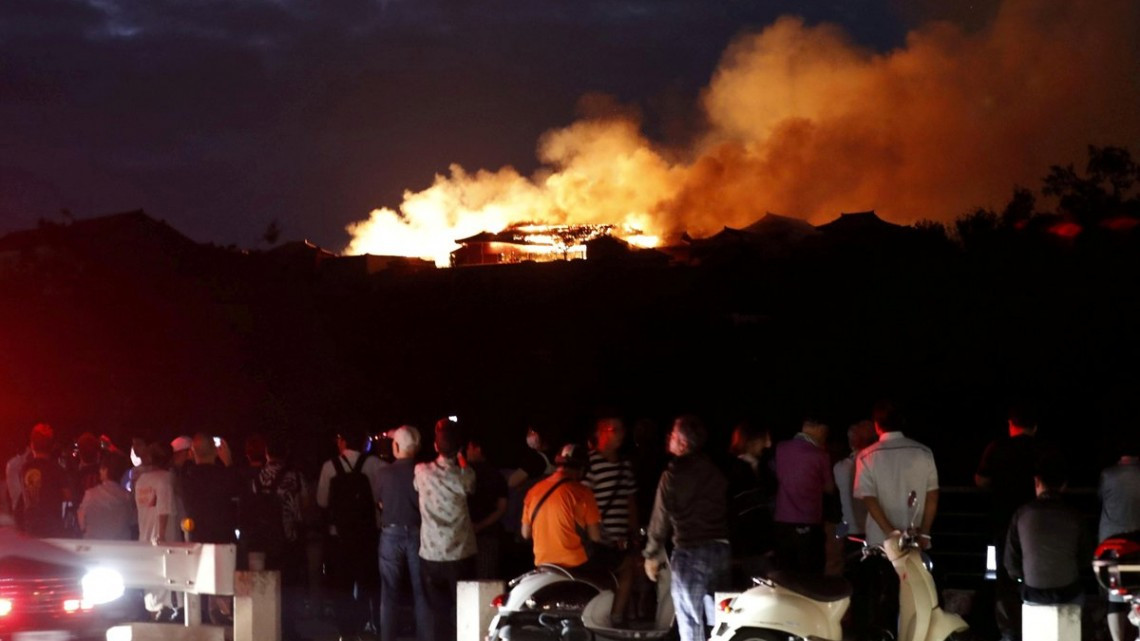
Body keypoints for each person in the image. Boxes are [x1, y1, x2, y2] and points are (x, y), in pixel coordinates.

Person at [853, 400, 938, 639]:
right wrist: (925, 532)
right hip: (916, 542)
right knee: (916, 599)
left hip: (881, 544)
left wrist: (891, 532)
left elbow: (868, 498)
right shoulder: (923, 452)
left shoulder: (866, 456)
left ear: (877, 426)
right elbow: (932, 495)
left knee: (883, 600)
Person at [643, 416, 729, 641]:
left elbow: (659, 519)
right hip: (721, 551)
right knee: (720, 622)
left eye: (672, 435)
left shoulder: (672, 476)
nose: (668, 438)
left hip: (690, 552)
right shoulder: (716, 471)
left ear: (682, 443)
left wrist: (651, 554)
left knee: (690, 619)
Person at [975, 403, 1043, 641]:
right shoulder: (1041, 449)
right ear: (1034, 426)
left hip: (1003, 521)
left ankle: (1010, 632)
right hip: (1039, 525)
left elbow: (981, 480)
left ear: (1011, 425)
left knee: (1004, 579)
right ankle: (1037, 628)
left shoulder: (997, 448)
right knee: (1037, 573)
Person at [316, 428, 384, 641]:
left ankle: (346, 631)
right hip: (367, 535)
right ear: (365, 443)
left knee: (341, 585)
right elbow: (381, 498)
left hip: (339, 535)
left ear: (342, 442)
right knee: (367, 582)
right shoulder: (375, 465)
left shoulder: (330, 466)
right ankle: (364, 624)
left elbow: (321, 501)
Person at [415, 419, 477, 641]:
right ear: (459, 448)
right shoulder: (465, 477)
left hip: (431, 555)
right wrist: (460, 457)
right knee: (464, 611)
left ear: (435, 446)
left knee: (438, 614)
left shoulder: (421, 471)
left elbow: (416, 487)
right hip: (461, 555)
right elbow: (470, 482)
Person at [1005, 456, 1093, 607]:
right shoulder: (1074, 515)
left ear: (1036, 481)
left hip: (1033, 591)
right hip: (1068, 591)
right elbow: (1085, 557)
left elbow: (1010, 563)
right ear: (1064, 485)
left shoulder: (1022, 514)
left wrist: (1024, 577)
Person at [584, 417, 640, 626]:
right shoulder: (591, 462)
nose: (620, 434)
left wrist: (633, 534)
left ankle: (612, 617)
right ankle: (611, 618)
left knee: (626, 570)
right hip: (598, 537)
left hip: (619, 538)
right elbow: (583, 497)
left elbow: (630, 501)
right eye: (613, 429)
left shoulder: (625, 466)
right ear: (600, 433)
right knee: (618, 572)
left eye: (621, 429)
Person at [375, 425, 428, 641]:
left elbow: (380, 503)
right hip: (418, 533)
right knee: (421, 592)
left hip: (390, 533)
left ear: (396, 446)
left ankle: (388, 637)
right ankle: (426, 636)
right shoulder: (423, 470)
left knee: (389, 591)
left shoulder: (383, 472)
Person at [521, 442, 602, 568]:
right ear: (581, 469)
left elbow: (525, 533)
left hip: (543, 564)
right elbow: (595, 537)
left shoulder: (533, 491)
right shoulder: (583, 492)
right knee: (626, 564)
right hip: (576, 564)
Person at [772, 418, 835, 575]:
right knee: (810, 574)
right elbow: (829, 488)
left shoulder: (780, 448)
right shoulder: (820, 455)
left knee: (786, 573)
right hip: (809, 521)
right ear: (819, 429)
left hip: (782, 520)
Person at [1098, 437, 1140, 641]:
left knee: (1114, 597)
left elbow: (1101, 497)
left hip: (1111, 543)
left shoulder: (1107, 474)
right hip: (1137, 542)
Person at [725, 421, 774, 586]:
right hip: (751, 547)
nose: (768, 444)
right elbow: (750, 513)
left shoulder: (757, 467)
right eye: (764, 439)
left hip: (753, 546)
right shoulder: (739, 471)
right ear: (752, 441)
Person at [135, 441, 180, 621]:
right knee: (165, 586)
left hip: (144, 537)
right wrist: (161, 535)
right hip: (163, 540)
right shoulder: (166, 479)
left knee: (151, 587)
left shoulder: (142, 480)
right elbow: (164, 509)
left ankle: (153, 618)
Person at [15, 423, 72, 538]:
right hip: (53, 530)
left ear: (32, 446)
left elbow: (23, 498)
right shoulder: (58, 470)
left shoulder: (24, 469)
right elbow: (68, 499)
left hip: (30, 529)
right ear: (51, 447)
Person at [465, 434, 508, 580]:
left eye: (469, 447)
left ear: (478, 449)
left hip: (465, 534)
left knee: (465, 581)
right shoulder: (497, 475)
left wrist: (476, 526)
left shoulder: (462, 474)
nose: (467, 451)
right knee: (486, 580)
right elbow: (502, 508)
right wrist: (482, 525)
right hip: (489, 532)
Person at [78, 452, 135, 540]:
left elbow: (82, 523)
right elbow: (132, 521)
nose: (99, 471)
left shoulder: (90, 494)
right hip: (120, 545)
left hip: (94, 545)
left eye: (101, 468)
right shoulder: (127, 497)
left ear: (106, 470)